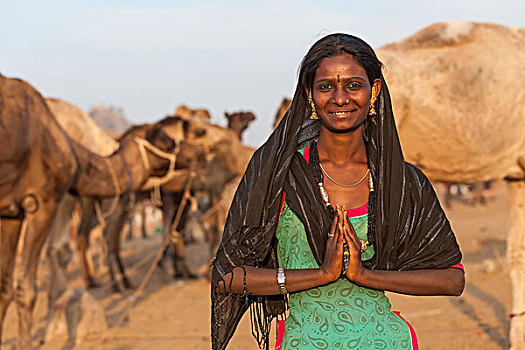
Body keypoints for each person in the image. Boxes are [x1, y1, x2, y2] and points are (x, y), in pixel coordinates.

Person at [211, 33, 464, 350]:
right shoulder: (278, 177)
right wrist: (320, 275)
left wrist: (366, 276)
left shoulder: (401, 181)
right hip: (304, 341)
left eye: (354, 85)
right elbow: (228, 278)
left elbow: (453, 279)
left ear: (374, 91)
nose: (340, 98)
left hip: (386, 340)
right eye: (326, 86)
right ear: (309, 94)